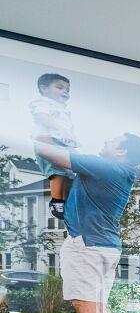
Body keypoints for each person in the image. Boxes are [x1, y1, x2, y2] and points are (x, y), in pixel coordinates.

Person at [33, 133, 140, 313]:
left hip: (86, 245)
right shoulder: (119, 172)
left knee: (85, 303)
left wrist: (45, 135)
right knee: (96, 304)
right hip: (104, 246)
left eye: (112, 140)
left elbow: (46, 151)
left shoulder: (107, 167)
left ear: (121, 152)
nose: (105, 141)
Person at [30, 73, 77, 221]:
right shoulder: (43, 102)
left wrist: (72, 140)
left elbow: (68, 128)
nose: (65, 92)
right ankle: (56, 200)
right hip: (50, 140)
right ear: (44, 88)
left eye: (67, 90)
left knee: (69, 174)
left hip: (64, 144)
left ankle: (65, 201)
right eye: (60, 87)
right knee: (57, 172)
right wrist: (61, 130)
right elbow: (41, 117)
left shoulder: (63, 109)